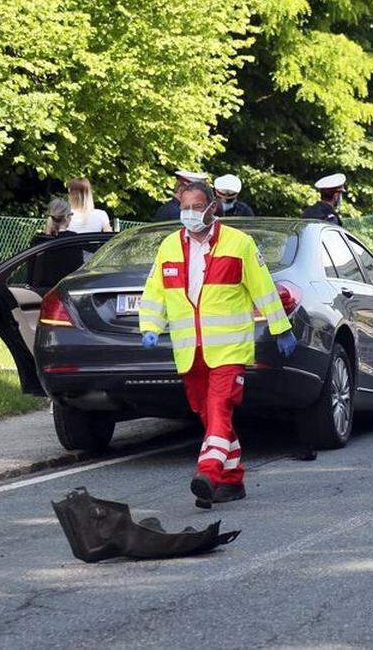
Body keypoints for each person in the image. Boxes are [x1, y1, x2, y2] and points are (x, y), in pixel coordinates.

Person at [139, 182, 297, 508]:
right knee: (208, 414)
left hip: (229, 348)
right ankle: (232, 479)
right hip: (189, 350)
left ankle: (208, 473)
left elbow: (263, 288)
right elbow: (155, 292)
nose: (190, 214)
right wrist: (151, 327)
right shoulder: (169, 246)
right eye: (185, 208)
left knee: (219, 408)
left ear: (213, 207)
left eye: (197, 207)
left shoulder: (239, 244)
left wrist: (281, 327)